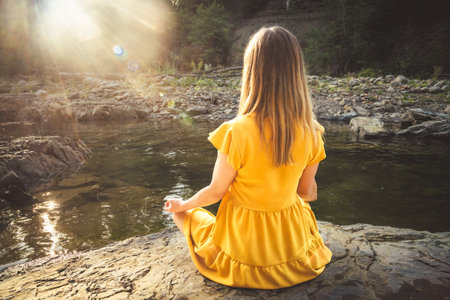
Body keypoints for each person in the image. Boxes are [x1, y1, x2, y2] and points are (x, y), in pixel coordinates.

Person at [164, 26, 332, 289]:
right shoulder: (312, 131)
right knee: (302, 209)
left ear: (253, 71)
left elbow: (215, 192)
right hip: (289, 256)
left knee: (183, 215)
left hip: (243, 252)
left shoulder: (236, 131)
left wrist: (182, 205)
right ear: (296, 72)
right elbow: (307, 192)